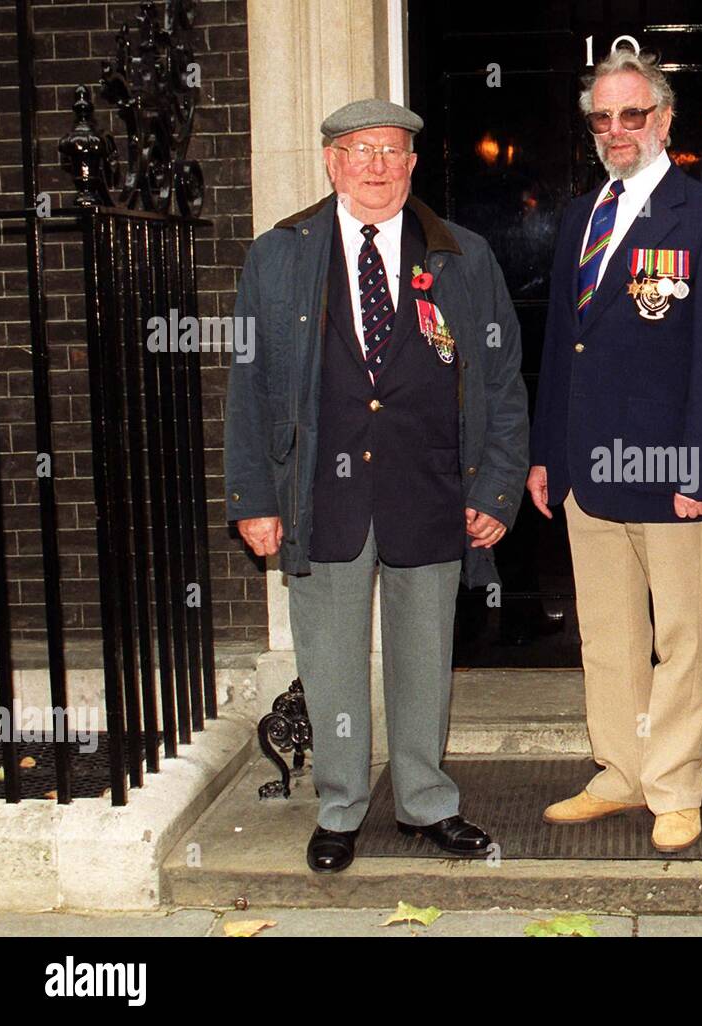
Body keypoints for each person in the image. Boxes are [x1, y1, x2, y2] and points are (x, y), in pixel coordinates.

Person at [224, 99, 529, 873]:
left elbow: (500, 380)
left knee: (424, 654)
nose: (378, 166)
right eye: (361, 151)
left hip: (430, 486)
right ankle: (340, 807)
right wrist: (253, 498)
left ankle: (426, 801)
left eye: (392, 151)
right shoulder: (278, 255)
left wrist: (495, 489)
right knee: (330, 658)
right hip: (319, 492)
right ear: (332, 162)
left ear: (413, 164)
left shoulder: (462, 255)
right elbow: (248, 383)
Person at [527, 49, 702, 853]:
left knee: (682, 636)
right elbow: (563, 345)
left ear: (664, 119)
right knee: (608, 633)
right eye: (602, 118)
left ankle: (675, 784)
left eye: (632, 114)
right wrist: (546, 453)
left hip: (671, 473)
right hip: (587, 470)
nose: (617, 130)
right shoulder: (581, 216)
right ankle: (620, 771)